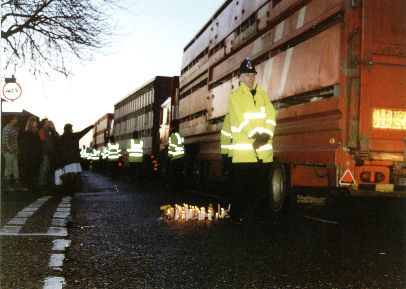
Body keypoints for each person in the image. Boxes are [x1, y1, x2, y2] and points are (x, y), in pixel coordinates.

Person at [228, 58, 276, 222]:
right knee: (241, 188)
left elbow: (271, 116)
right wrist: (257, 135)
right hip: (244, 153)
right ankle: (237, 217)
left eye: (253, 75)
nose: (251, 78)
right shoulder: (235, 96)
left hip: (263, 152)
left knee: (260, 188)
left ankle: (255, 218)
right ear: (240, 77)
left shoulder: (263, 94)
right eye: (247, 75)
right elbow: (240, 120)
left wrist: (266, 134)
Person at [59, 123, 94, 193]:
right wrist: (91, 127)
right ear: (70, 129)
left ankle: (66, 189)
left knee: (67, 174)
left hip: (65, 159)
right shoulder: (75, 136)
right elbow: (84, 131)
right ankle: (71, 189)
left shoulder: (61, 138)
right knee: (73, 175)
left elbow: (59, 148)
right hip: (74, 158)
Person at [2, 115, 27, 192]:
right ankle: (7, 187)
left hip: (13, 152)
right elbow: (5, 143)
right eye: (15, 119)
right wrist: (12, 151)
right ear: (11, 120)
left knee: (15, 169)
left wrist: (16, 150)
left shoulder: (13, 128)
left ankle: (17, 186)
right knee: (8, 169)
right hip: (9, 153)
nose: (16, 120)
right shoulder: (7, 129)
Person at [20, 117, 43, 194]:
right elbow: (26, 146)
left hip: (36, 156)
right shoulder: (27, 133)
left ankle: (33, 188)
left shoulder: (35, 132)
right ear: (31, 123)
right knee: (31, 172)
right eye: (35, 122)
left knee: (35, 172)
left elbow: (38, 145)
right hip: (31, 156)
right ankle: (31, 189)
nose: (36, 123)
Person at [38, 118, 54, 193]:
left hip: (48, 153)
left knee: (47, 169)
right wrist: (46, 150)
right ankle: (41, 184)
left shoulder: (48, 131)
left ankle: (44, 184)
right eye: (47, 122)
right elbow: (42, 142)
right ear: (44, 123)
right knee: (44, 169)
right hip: (45, 153)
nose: (48, 123)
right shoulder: (42, 131)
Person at [167, 120, 185, 189]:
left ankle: (173, 187)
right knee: (179, 173)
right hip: (181, 157)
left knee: (173, 174)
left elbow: (172, 148)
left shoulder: (173, 136)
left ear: (173, 127)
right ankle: (179, 187)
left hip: (174, 158)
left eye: (171, 127)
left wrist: (169, 157)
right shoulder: (180, 135)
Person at [220, 113, 233, 177]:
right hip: (235, 157)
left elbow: (225, 139)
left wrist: (225, 159)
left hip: (234, 157)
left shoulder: (230, 115)